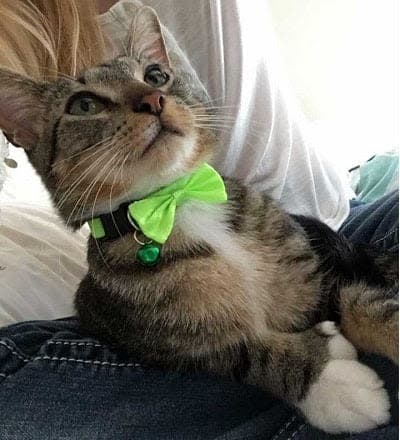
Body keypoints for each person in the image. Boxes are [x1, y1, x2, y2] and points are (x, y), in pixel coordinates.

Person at [0, 1, 397, 439]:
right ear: (30, 133)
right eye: (86, 105)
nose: (148, 101)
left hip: (351, 230)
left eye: (154, 79)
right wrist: (289, 364)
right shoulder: (118, 281)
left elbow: (334, 283)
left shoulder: (248, 204)